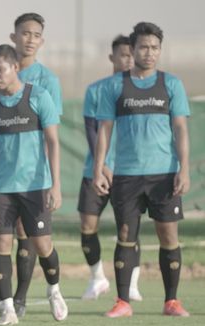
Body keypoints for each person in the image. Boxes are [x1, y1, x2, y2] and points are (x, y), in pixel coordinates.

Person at [0, 12, 63, 317]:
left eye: (0, 70)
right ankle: (7, 306)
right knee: (1, 242)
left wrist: (55, 185)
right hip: (0, 185)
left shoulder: (43, 92)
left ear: (15, 68)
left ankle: (53, 289)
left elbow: (53, 141)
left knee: (42, 243)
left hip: (35, 185)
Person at [93, 22, 191, 318]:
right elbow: (104, 131)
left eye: (155, 48)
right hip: (127, 175)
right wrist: (99, 168)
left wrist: (183, 169)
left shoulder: (170, 84)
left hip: (164, 175)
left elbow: (181, 129)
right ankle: (123, 302)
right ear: (132, 50)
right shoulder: (115, 85)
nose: (150, 53)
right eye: (144, 47)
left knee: (168, 235)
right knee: (126, 234)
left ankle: (171, 301)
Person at [80, 35, 143, 301]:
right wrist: (102, 164)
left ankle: (131, 285)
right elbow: (92, 130)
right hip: (95, 170)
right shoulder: (96, 90)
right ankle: (97, 278)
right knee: (87, 225)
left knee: (129, 229)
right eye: (123, 54)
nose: (128, 59)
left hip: (129, 172)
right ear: (112, 57)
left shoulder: (142, 90)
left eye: (132, 54)